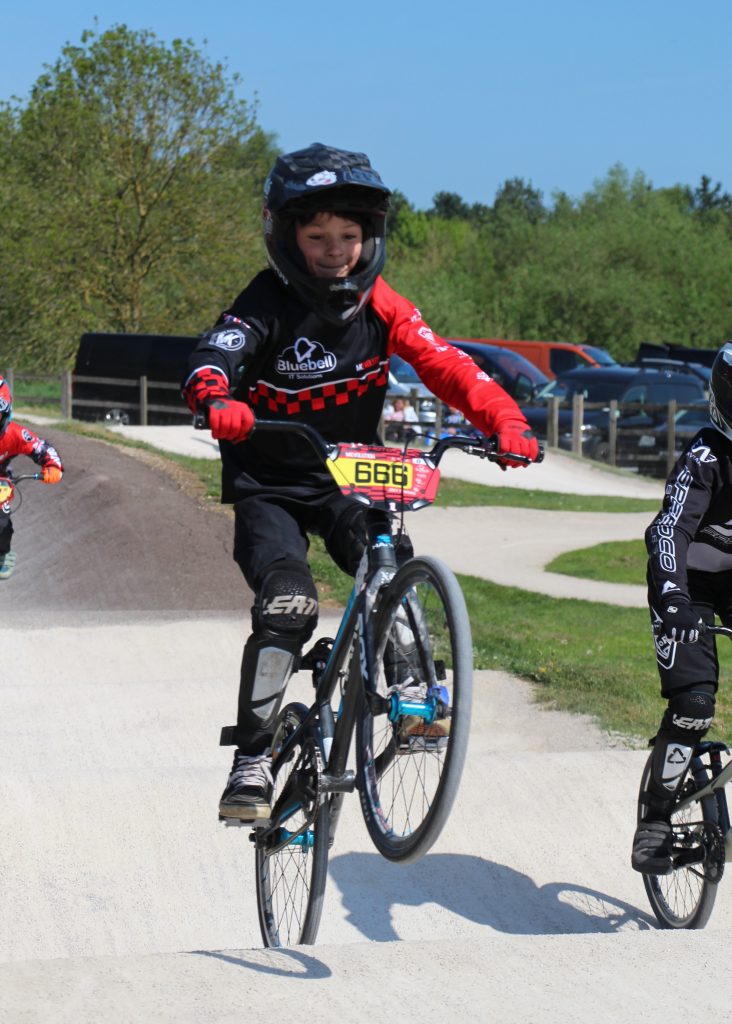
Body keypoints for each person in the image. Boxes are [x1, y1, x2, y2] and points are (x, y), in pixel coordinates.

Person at [182, 142, 540, 821]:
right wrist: (214, 398)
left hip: (348, 474)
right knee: (287, 603)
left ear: (369, 237)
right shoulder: (265, 302)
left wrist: (506, 420)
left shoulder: (384, 306)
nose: (333, 250)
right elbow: (214, 357)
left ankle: (410, 689)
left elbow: (450, 367)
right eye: (316, 236)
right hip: (269, 485)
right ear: (285, 235)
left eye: (348, 236)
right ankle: (252, 759)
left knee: (388, 560)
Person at [632, 340, 732, 874]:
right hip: (684, 583)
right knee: (693, 705)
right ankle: (655, 817)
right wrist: (672, 599)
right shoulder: (707, 456)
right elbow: (669, 530)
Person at [0, 375, 64, 580]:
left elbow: (42, 448)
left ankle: (3, 552)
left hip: (0, 480)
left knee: (1, 520)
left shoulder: (17, 434)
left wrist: (53, 466)